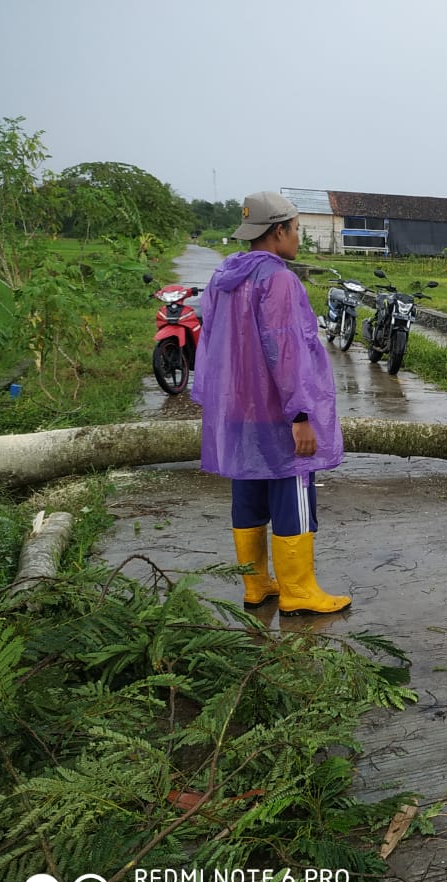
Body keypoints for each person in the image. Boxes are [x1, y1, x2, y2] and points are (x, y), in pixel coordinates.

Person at [190, 191, 351, 616]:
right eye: (296, 230)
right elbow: (286, 348)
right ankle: (299, 590)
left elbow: (211, 341)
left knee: (248, 485)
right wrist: (300, 413)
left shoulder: (225, 276)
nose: (299, 238)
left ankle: (256, 583)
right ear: (277, 231)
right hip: (279, 409)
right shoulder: (277, 279)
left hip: (239, 409)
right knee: (293, 486)